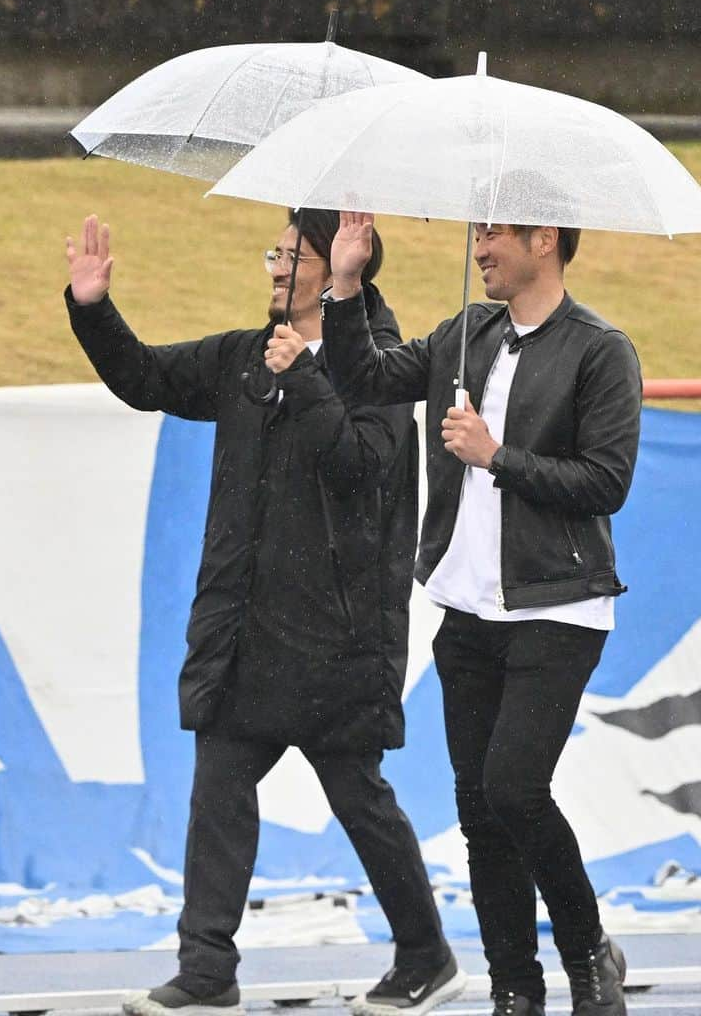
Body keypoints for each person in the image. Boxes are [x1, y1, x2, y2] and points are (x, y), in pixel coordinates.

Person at [64, 209, 465, 1016]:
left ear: (335, 269)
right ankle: (206, 969)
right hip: (247, 629)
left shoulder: (382, 365)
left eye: (292, 253)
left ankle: (426, 955)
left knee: (361, 800)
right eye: (275, 251)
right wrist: (93, 308)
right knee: (219, 790)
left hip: (338, 639)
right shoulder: (247, 355)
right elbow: (145, 379)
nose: (275, 266)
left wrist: (308, 379)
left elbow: (363, 468)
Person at [266, 210, 642, 1016]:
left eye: (495, 235)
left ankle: (587, 956)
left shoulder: (601, 351)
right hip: (466, 610)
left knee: (515, 789)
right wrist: (347, 283)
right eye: (476, 234)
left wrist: (495, 456)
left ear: (546, 241)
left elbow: (606, 482)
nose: (479, 250)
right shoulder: (463, 331)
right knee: (478, 810)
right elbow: (365, 377)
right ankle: (514, 987)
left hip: (557, 608)